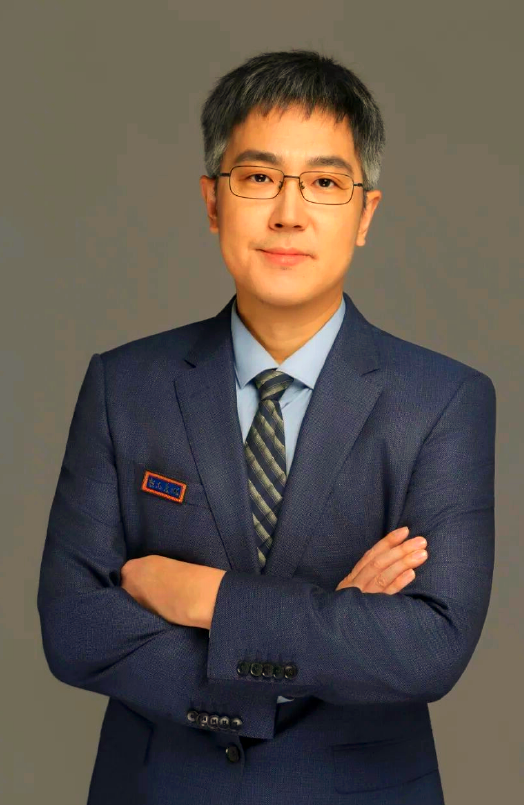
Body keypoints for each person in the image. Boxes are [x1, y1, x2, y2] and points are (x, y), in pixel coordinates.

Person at [37, 49, 496, 805]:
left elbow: (429, 646)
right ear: (213, 202)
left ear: (365, 214)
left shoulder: (442, 401)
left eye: (325, 182)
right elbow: (73, 624)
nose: (288, 212)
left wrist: (211, 598)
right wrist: (325, 631)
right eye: (258, 178)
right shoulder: (126, 385)